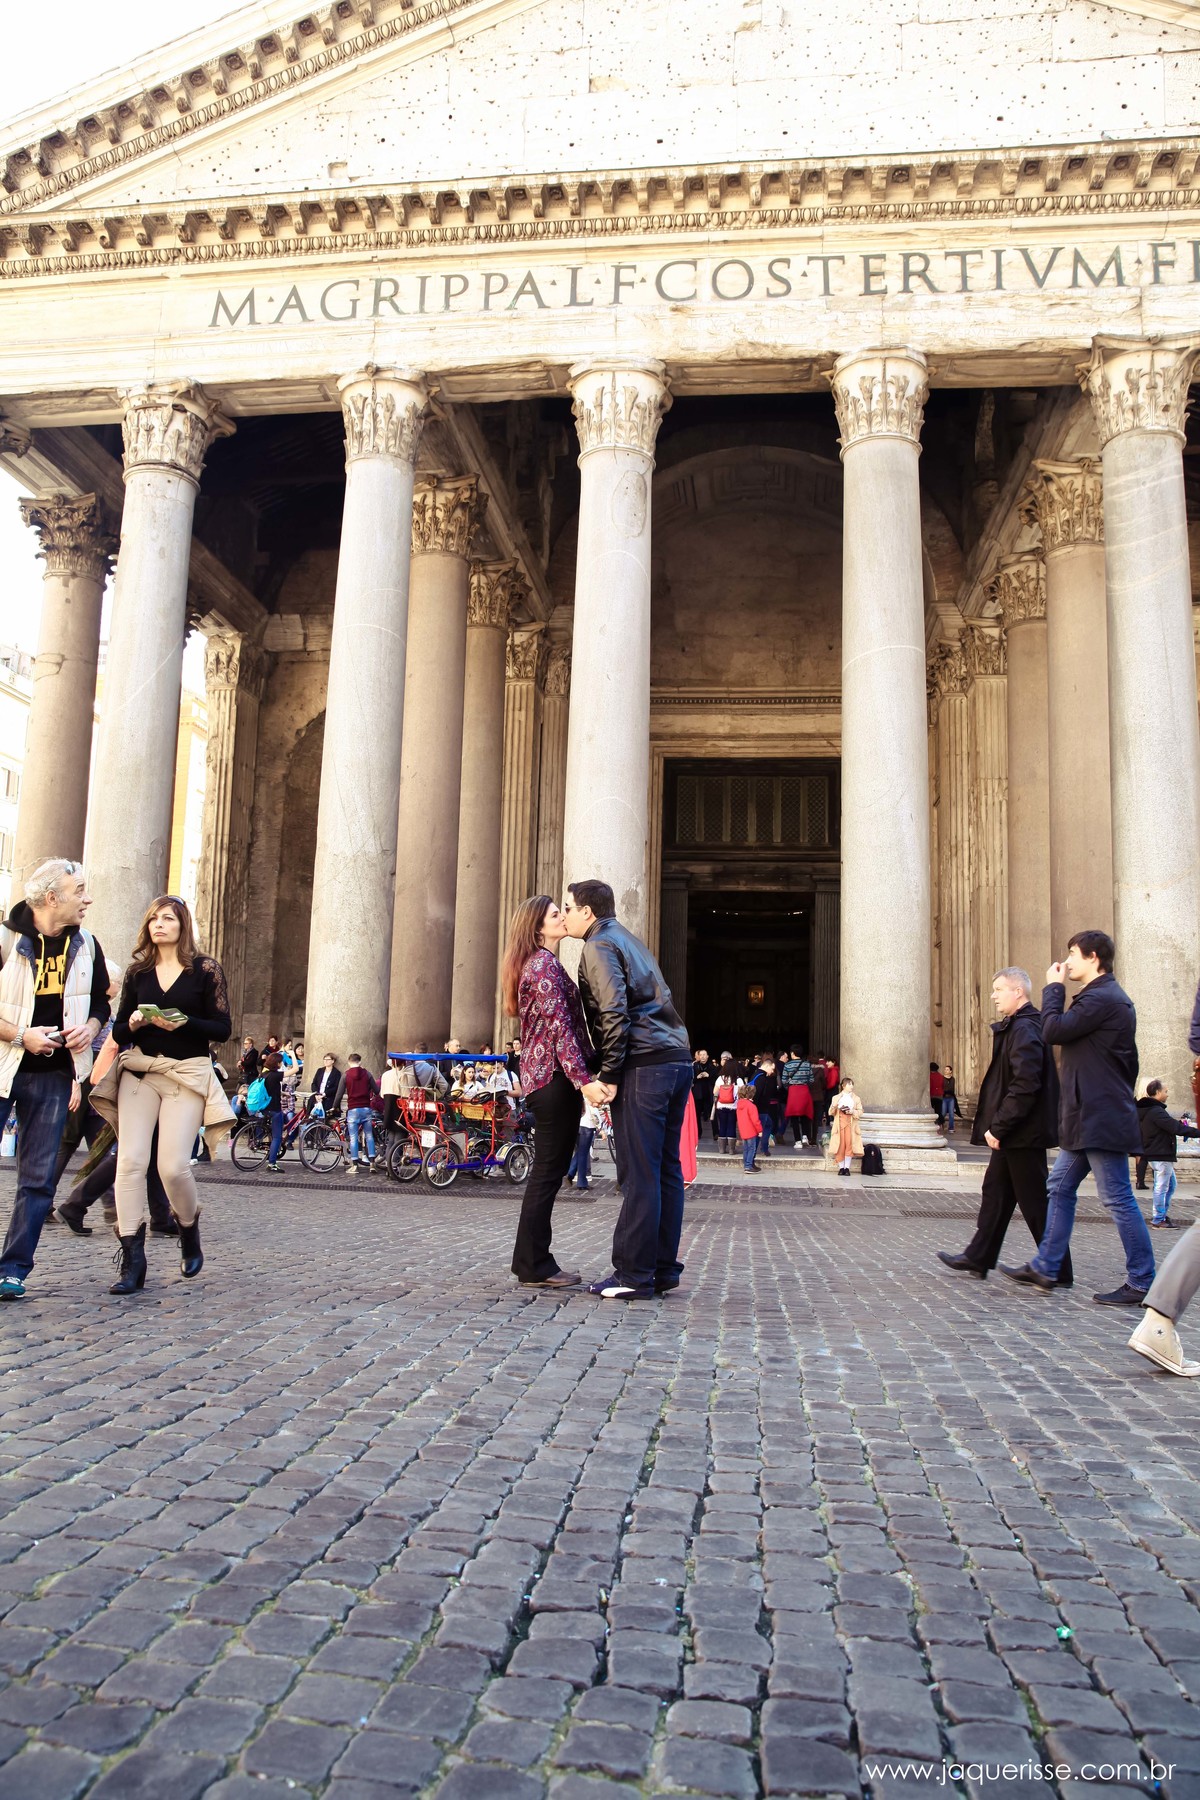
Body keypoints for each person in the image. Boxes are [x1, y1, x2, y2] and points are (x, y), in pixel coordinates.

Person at [1001, 930, 1155, 1306]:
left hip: (1098, 1116)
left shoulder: (1103, 998)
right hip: (1091, 1115)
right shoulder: (1100, 998)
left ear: (1093, 958)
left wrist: (1053, 989)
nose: (1066, 962)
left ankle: (1143, 1279)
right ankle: (1047, 1266)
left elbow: (1051, 1030)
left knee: (1117, 1196)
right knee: (1059, 1186)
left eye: (1072, 954)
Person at [564, 879, 692, 1300]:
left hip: (644, 1066)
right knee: (665, 1171)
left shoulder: (599, 945)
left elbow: (613, 1013)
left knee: (639, 1174)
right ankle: (661, 1269)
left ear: (587, 911)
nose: (564, 914)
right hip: (675, 1059)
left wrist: (609, 1075)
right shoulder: (628, 939)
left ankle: (633, 1276)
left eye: (569, 906)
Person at [100, 895, 232, 1296]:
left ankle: (188, 1228)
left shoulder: (205, 970)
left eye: (168, 919)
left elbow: (222, 1028)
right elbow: (119, 1032)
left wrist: (184, 1023)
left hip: (187, 1073)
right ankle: (132, 1257)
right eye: (154, 919)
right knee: (130, 1163)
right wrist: (137, 1023)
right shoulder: (139, 973)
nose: (160, 925)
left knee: (173, 1167)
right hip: (141, 1071)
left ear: (182, 925)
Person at [0, 860, 111, 1301]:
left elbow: (101, 1000)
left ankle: (12, 1270)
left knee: (39, 1181)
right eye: (79, 890)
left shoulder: (88, 945)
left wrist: (91, 1026)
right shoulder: (7, 941)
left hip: (53, 1077)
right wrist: (20, 1036)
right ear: (51, 899)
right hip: (4, 1068)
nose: (87, 899)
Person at [937, 967, 1070, 1285]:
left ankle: (1057, 1269)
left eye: (999, 989)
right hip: (1017, 1132)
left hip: (1022, 1132)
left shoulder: (1025, 1029)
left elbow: (1026, 1084)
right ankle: (979, 1256)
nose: (994, 995)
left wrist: (1000, 1126)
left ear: (1018, 992)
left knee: (1035, 1200)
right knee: (996, 1192)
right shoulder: (1020, 1027)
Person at [503, 893, 596, 1287]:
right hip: (553, 1080)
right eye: (556, 914)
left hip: (549, 1080)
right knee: (546, 1173)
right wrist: (584, 1080)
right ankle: (533, 1264)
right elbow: (560, 1027)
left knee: (549, 1172)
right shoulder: (542, 965)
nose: (563, 918)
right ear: (538, 926)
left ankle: (531, 1261)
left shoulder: (545, 963)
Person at [1136, 1079, 1198, 1230]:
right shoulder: (1156, 1111)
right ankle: (1158, 1219)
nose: (1167, 1094)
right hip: (1160, 1154)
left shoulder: (1153, 1110)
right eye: (1165, 1091)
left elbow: (1172, 1126)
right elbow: (1175, 1127)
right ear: (1157, 1093)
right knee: (1162, 1187)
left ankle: (1161, 1215)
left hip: (1160, 1153)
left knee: (1170, 1185)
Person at [342, 1053, 380, 1172]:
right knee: (369, 1136)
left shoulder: (346, 1075)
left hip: (353, 1109)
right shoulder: (367, 1074)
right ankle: (372, 1163)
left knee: (353, 1138)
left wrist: (335, 1107)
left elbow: (339, 1094)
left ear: (349, 1062)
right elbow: (377, 1090)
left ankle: (354, 1165)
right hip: (366, 1108)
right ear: (360, 1061)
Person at [567, 1096, 605, 1193]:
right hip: (587, 1126)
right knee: (583, 1154)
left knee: (580, 1151)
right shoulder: (590, 1094)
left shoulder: (578, 1094)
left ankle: (571, 1173)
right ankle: (581, 1182)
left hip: (577, 1125)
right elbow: (594, 1111)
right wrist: (601, 1127)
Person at [828, 1077, 863, 1176]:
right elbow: (830, 1112)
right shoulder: (836, 1097)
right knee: (840, 1146)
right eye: (849, 1084)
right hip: (839, 1126)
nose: (851, 1086)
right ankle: (841, 1167)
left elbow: (860, 1111)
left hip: (851, 1125)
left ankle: (847, 1168)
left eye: (852, 1084)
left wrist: (853, 1111)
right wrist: (835, 1105)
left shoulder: (856, 1098)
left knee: (849, 1145)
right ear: (843, 1086)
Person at [751, 1057, 779, 1157]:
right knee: (758, 1132)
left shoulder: (756, 1074)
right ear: (767, 1066)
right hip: (760, 1109)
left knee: (768, 1125)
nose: (772, 1072)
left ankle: (764, 1148)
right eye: (772, 1069)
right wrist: (754, 1110)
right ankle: (752, 1156)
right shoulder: (761, 1077)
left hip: (761, 1109)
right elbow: (757, 1094)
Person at [712, 1056, 739, 1154]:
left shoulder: (720, 1078)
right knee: (732, 1126)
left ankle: (722, 1149)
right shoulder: (738, 1080)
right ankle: (732, 1149)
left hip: (721, 1106)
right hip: (733, 1106)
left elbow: (715, 1092)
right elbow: (742, 1093)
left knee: (722, 1126)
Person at [736, 1080, 762, 1172]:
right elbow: (755, 1120)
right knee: (752, 1148)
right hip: (751, 1130)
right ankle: (748, 1165)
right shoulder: (751, 1106)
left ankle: (746, 1164)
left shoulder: (739, 1105)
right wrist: (760, 1130)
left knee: (746, 1149)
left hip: (743, 1130)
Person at [307, 1052, 343, 1118]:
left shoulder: (337, 1073)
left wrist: (324, 1094)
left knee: (327, 1110)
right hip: (317, 1095)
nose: (325, 1061)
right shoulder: (320, 1070)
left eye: (328, 1060)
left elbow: (336, 1087)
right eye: (324, 1059)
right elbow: (314, 1083)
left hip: (328, 1097)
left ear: (333, 1061)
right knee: (311, 1106)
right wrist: (317, 1094)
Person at [692, 1049, 714, 1135]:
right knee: (697, 1113)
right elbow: (691, 1079)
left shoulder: (712, 1066)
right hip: (697, 1093)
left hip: (708, 1093)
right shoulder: (694, 1066)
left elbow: (715, 1079)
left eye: (704, 1055)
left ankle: (715, 1132)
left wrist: (709, 1075)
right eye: (701, 1055)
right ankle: (698, 1132)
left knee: (711, 1113)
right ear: (698, 1056)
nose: (702, 1057)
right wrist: (697, 1077)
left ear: (707, 1056)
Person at [941, 1066, 959, 1134]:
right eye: (945, 1069)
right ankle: (940, 1124)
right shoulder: (942, 1078)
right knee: (943, 1113)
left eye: (947, 1069)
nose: (945, 1070)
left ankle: (951, 1128)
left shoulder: (952, 1079)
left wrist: (946, 1090)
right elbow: (943, 1088)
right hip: (944, 1098)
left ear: (950, 1071)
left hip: (951, 1098)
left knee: (951, 1113)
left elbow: (951, 1088)